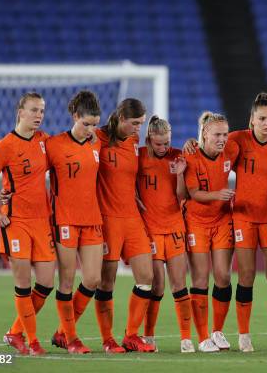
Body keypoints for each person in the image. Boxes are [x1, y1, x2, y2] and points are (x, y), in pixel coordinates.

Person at [0, 92, 54, 356]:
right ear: (20, 112)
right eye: (34, 110)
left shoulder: (45, 141)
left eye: (42, 111)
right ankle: (32, 342)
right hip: (17, 222)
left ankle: (14, 332)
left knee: (45, 283)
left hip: (41, 221)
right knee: (23, 283)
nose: (39, 116)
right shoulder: (6, 145)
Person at [229, 93, 267, 352]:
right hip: (244, 218)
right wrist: (192, 143)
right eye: (262, 118)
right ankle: (244, 336)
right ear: (251, 120)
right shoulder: (237, 140)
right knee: (246, 276)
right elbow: (212, 154)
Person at [95, 98, 154, 353]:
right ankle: (108, 340)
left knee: (146, 277)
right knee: (106, 282)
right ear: (121, 119)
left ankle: (131, 335)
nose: (138, 129)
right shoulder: (97, 138)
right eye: (134, 123)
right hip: (107, 219)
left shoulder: (133, 143)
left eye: (141, 124)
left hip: (132, 218)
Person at [46, 90, 103, 354]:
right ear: (75, 116)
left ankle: (61, 332)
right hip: (65, 220)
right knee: (66, 281)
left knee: (92, 279)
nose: (91, 129)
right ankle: (71, 338)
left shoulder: (98, 143)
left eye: (95, 124)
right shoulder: (54, 145)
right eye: (86, 123)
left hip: (92, 220)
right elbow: (32, 172)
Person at [137, 116, 194, 353]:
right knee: (157, 286)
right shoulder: (138, 156)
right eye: (159, 144)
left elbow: (182, 196)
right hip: (150, 230)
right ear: (149, 139)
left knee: (179, 285)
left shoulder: (177, 156)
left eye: (166, 143)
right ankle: (148, 336)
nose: (163, 148)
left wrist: (180, 173)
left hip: (174, 228)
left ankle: (186, 338)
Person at [183, 111, 239, 352]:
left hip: (222, 220)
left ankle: (217, 331)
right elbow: (193, 193)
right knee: (200, 278)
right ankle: (203, 336)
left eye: (225, 134)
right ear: (205, 134)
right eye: (217, 134)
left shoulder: (231, 150)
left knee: (224, 277)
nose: (222, 139)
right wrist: (218, 195)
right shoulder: (191, 156)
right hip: (196, 222)